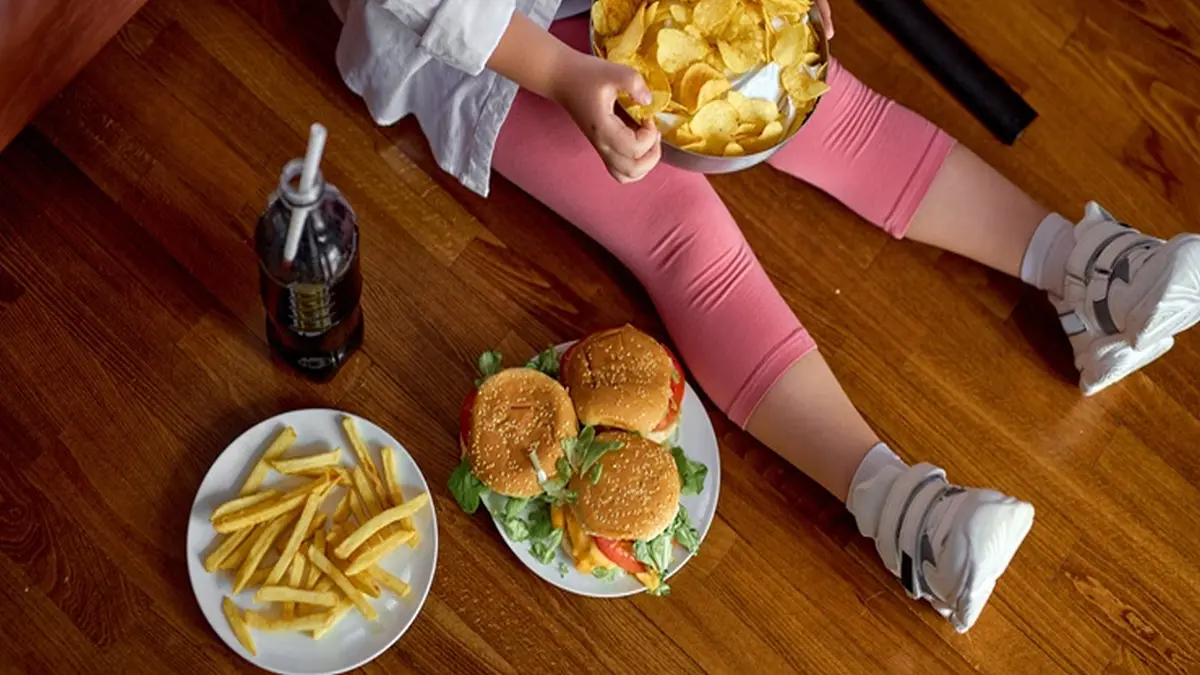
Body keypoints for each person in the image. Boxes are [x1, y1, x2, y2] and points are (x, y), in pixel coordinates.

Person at [331, 0, 1200, 631]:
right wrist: (562, 72)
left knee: (829, 106)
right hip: (477, 46)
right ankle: (908, 520)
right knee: (682, 234)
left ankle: (1085, 274)